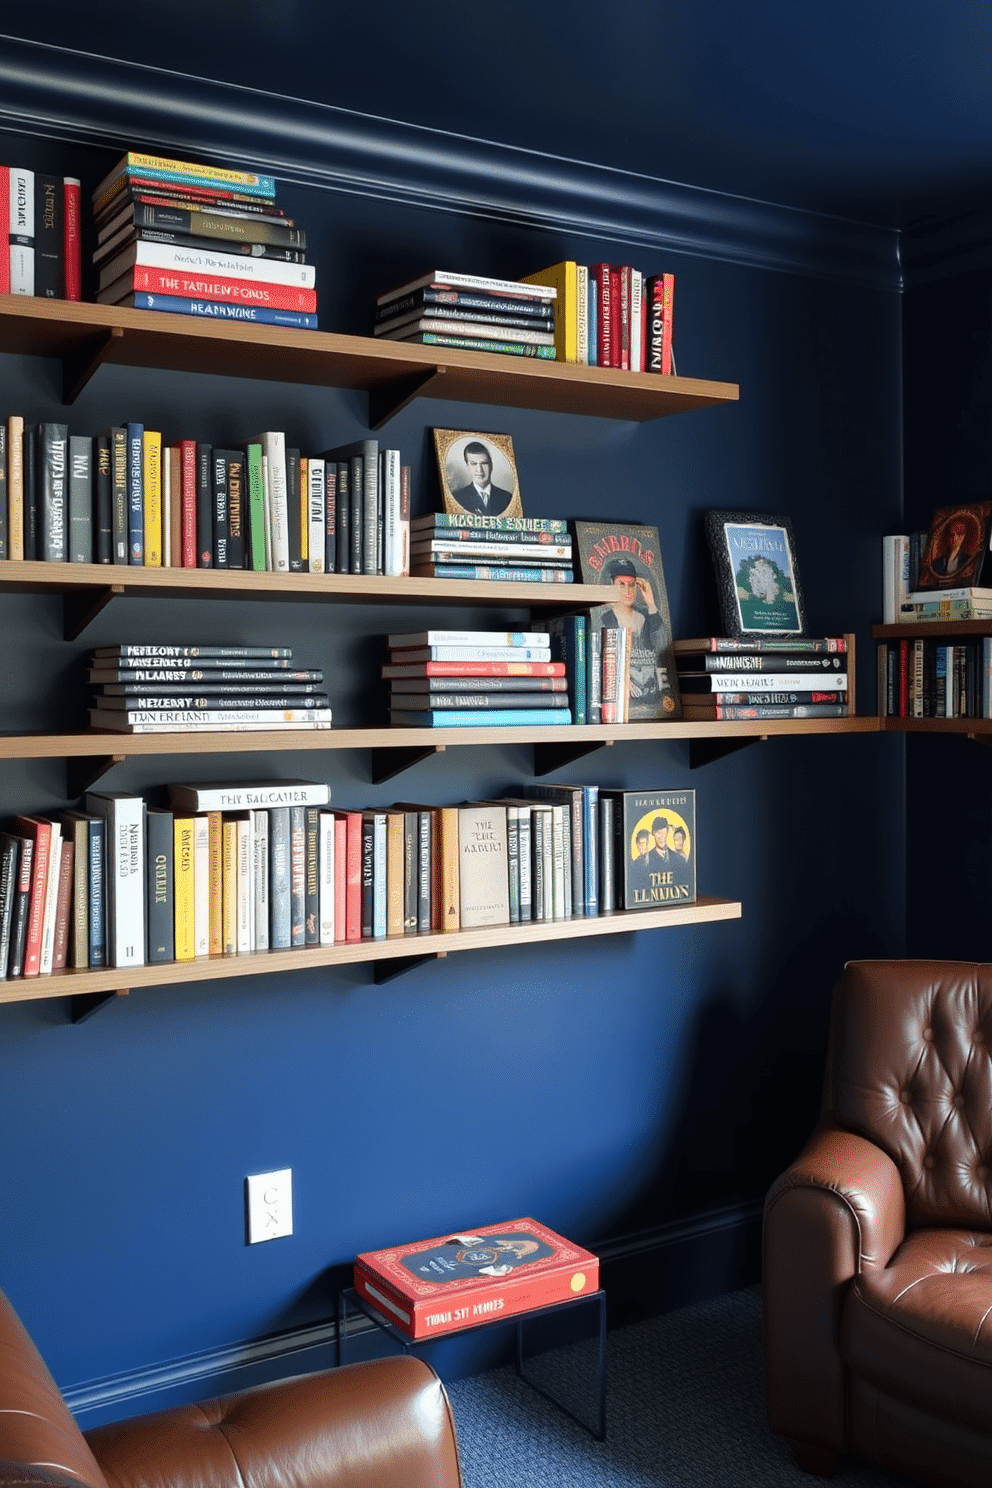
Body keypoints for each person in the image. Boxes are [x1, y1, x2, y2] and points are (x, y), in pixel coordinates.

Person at [598, 556, 669, 710]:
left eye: (632, 585)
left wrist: (651, 604)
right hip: (622, 700)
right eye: (621, 585)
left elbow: (663, 646)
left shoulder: (647, 615)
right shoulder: (606, 619)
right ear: (612, 584)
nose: (628, 591)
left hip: (652, 697)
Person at [448, 440, 515, 515]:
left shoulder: (507, 498)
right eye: (473, 464)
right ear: (468, 467)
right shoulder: (457, 497)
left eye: (484, 463)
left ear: (491, 466)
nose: (479, 470)